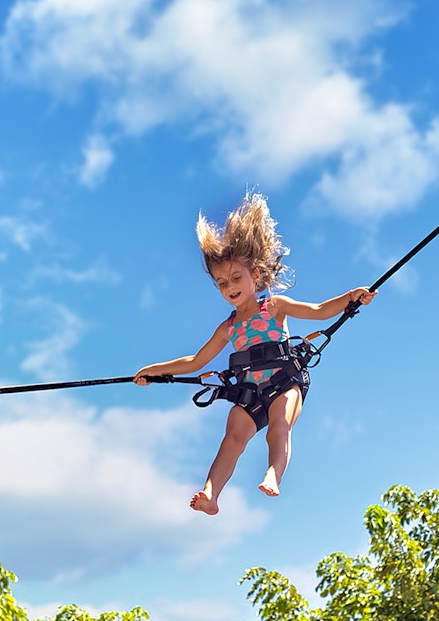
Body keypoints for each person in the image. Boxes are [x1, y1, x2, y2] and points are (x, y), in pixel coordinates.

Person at [135, 191, 375, 515]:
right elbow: (195, 361)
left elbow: (319, 311)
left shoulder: (273, 306)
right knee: (233, 434)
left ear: (256, 276)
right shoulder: (228, 328)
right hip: (250, 391)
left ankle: (273, 475)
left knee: (279, 425)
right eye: (221, 283)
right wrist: (154, 370)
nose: (230, 286)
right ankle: (210, 495)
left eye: (236, 278)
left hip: (285, 381)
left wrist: (350, 298)